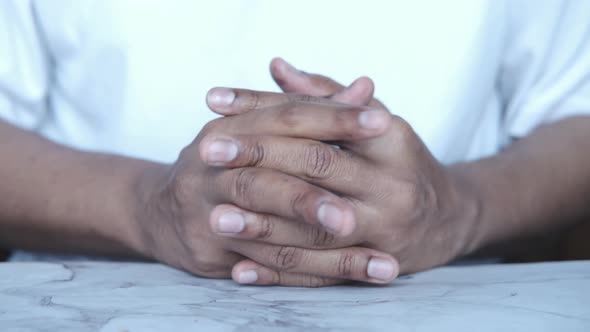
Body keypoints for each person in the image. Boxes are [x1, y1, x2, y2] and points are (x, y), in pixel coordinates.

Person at [1, 0, 589, 287]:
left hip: (453, 296)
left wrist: (458, 209)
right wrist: (143, 206)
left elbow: (578, 111)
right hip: (87, 297)